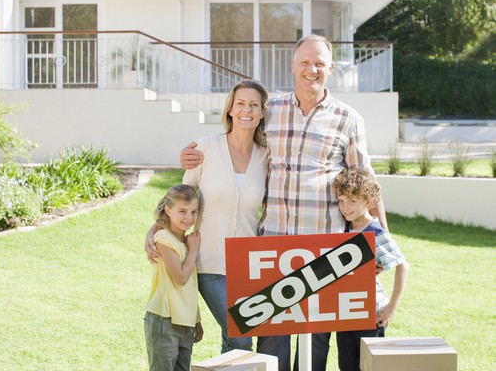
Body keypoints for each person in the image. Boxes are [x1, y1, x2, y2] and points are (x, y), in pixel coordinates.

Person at [180, 34, 387, 371]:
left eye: (319, 63)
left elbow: (368, 188)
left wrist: (381, 243)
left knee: (314, 347)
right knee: (270, 344)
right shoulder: (271, 111)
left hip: (323, 254)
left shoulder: (348, 119)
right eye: (305, 62)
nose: (311, 70)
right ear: (293, 66)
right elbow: (237, 143)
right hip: (271, 251)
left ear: (331, 68)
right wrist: (192, 155)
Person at [146, 80, 269, 355]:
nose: (246, 110)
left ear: (262, 113)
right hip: (208, 262)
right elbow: (181, 200)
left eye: (253, 105)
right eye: (240, 103)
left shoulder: (266, 157)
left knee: (233, 337)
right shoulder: (206, 148)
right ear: (229, 110)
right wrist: (154, 230)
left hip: (248, 265)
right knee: (240, 334)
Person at [333, 167, 409, 371]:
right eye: (341, 200)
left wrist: (392, 306)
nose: (345, 207)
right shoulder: (345, 227)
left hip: (370, 313)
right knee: (347, 366)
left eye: (352, 201)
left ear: (368, 201)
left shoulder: (374, 231)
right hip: (347, 312)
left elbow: (403, 266)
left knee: (370, 366)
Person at [144, 184, 203, 371]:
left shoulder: (185, 242)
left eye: (194, 212)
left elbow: (190, 287)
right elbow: (181, 278)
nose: (189, 218)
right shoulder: (163, 239)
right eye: (182, 211)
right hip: (164, 320)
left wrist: (196, 319)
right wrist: (194, 249)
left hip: (185, 321)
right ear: (168, 210)